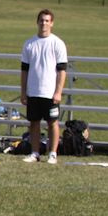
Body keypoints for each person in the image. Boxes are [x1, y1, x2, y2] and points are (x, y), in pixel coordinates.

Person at [21, 9, 68, 164]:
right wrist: (23, 92)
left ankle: (52, 153)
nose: (44, 23)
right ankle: (35, 153)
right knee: (34, 123)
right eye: (41, 20)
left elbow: (62, 71)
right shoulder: (29, 44)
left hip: (50, 92)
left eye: (47, 21)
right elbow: (24, 70)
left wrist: (58, 92)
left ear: (52, 23)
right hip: (33, 91)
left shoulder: (57, 43)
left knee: (52, 122)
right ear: (37, 22)